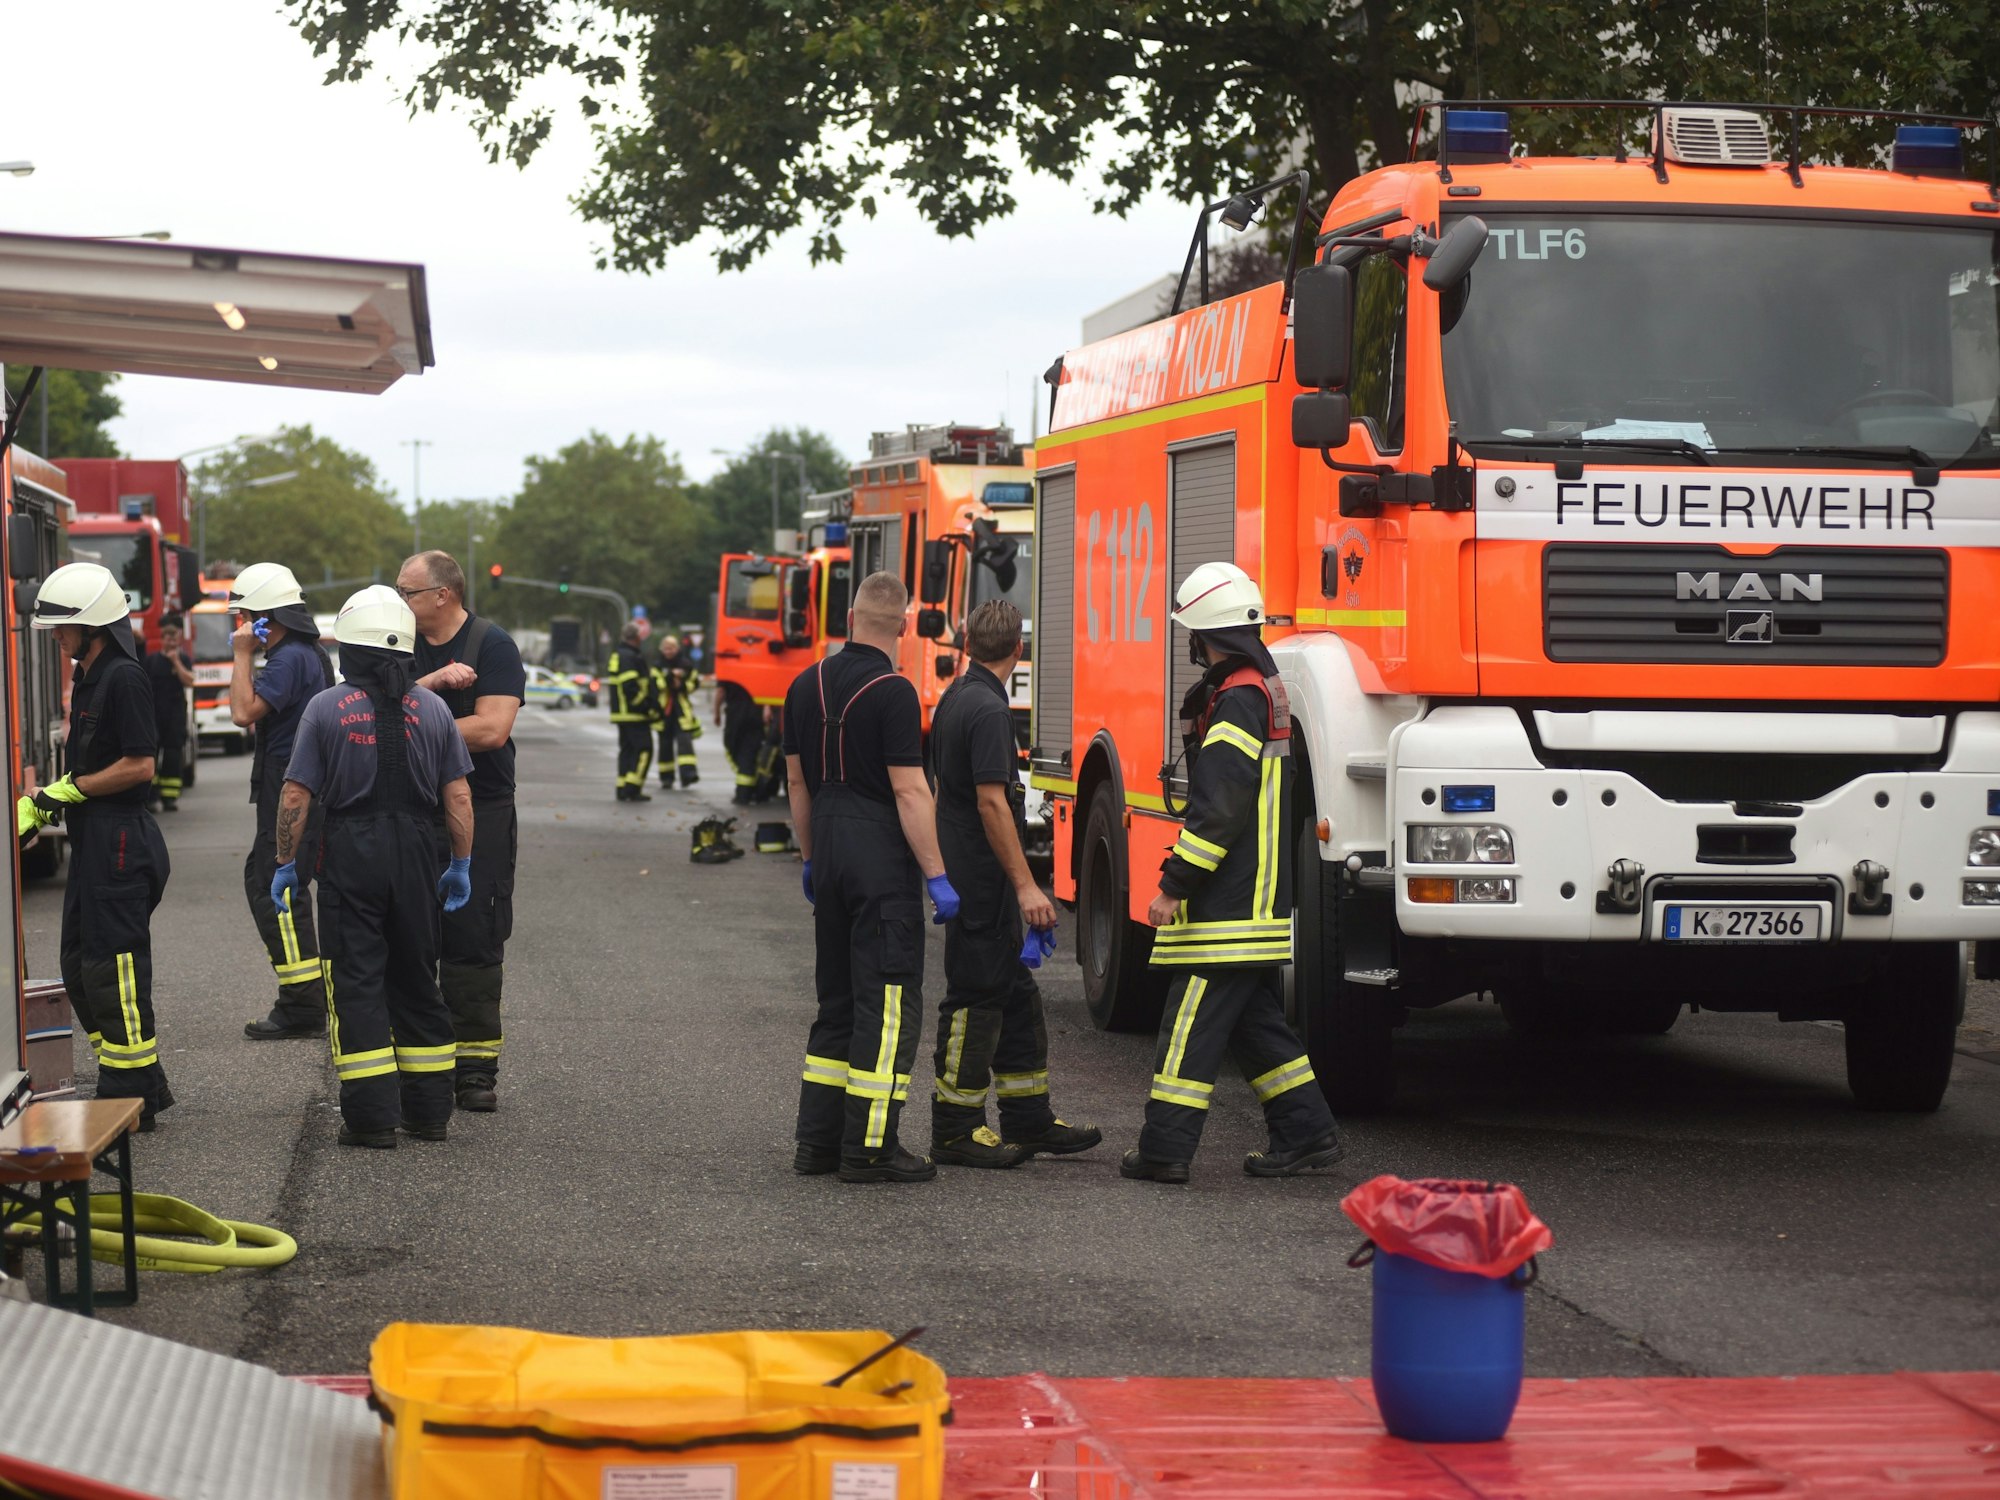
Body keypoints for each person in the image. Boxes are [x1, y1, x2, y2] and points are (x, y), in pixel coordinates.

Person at [1123, 562, 1342, 1184]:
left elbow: (1218, 814)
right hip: (1256, 898)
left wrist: (1172, 888)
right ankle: (1308, 1134)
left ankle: (1164, 1150)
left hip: (1229, 907)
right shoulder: (1258, 690)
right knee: (1256, 1028)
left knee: (1187, 1025)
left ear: (1203, 635)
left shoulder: (1236, 701)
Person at [273, 585, 474, 1148]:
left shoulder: (325, 708)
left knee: (357, 984)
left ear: (351, 649)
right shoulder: (433, 708)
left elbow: (295, 796)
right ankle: (430, 1113)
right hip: (416, 854)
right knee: (416, 978)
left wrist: (285, 862)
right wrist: (460, 864)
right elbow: (457, 799)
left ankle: (370, 1120)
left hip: (351, 855)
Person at [784, 571, 959, 1184]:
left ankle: (818, 1144)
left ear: (850, 616)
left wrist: (810, 857)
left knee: (836, 1002)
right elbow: (909, 789)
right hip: (880, 859)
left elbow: (798, 783)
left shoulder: (805, 686)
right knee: (887, 1007)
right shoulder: (894, 691)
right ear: (905, 626)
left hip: (828, 851)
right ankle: (870, 1148)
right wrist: (936, 875)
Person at [928, 600, 1100, 1168]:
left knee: (1016, 996)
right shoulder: (989, 711)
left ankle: (1029, 1118)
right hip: (983, 883)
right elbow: (990, 803)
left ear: (966, 642)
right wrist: (1029, 888)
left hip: (973, 877)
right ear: (1018, 650)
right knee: (976, 999)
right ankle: (955, 1128)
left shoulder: (957, 697)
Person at [17, 563, 174, 1127]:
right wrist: (45, 805)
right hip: (94, 842)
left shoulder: (124, 678)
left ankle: (126, 1093)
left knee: (116, 968)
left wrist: (67, 790)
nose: (56, 638)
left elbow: (140, 766)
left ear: (93, 625)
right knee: (81, 970)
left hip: (122, 843)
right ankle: (142, 1082)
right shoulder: (90, 673)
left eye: (62, 628)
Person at [398, 550, 527, 1114]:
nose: (399, 600)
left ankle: (474, 1069)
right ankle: (422, 1063)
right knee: (409, 936)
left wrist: (414, 724)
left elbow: (493, 728)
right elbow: (370, 707)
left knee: (474, 936)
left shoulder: (491, 645)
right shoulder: (396, 641)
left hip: (483, 806)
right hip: (409, 810)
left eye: (408, 591)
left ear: (442, 595)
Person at [231, 563, 338, 1041]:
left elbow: (240, 712)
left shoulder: (289, 657)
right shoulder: (306, 652)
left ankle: (303, 1003)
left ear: (265, 616)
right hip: (296, 781)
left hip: (289, 785)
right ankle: (306, 997)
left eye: (245, 616)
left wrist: (240, 655)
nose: (239, 625)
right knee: (269, 881)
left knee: (276, 888)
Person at [144, 613, 194, 813]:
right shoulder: (152, 661)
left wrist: (175, 662)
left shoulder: (183, 659)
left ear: (179, 637)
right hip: (154, 715)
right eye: (166, 636)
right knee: (151, 756)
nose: (170, 640)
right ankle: (150, 798)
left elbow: (189, 681)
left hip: (175, 717)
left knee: (173, 756)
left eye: (174, 636)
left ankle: (170, 798)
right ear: (162, 637)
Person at [605, 621, 658, 802]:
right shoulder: (630, 657)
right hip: (634, 714)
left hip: (621, 714)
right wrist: (645, 705)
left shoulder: (618, 654)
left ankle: (622, 787)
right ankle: (632, 788)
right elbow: (630, 687)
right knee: (644, 750)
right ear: (637, 638)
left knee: (627, 751)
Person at [655, 633, 702, 789]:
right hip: (664, 712)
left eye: (671, 648)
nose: (669, 651)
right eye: (666, 648)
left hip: (682, 710)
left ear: (677, 649)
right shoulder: (658, 665)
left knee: (685, 743)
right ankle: (666, 777)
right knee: (665, 745)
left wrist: (681, 685)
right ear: (662, 650)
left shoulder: (686, 664)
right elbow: (657, 684)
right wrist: (670, 677)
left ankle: (688, 774)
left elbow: (694, 683)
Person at [719, 677, 765, 804]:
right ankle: (755, 791)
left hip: (735, 718)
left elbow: (720, 692)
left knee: (741, 755)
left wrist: (716, 712)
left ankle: (743, 794)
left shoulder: (729, 669)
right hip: (756, 715)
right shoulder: (759, 668)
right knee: (750, 754)